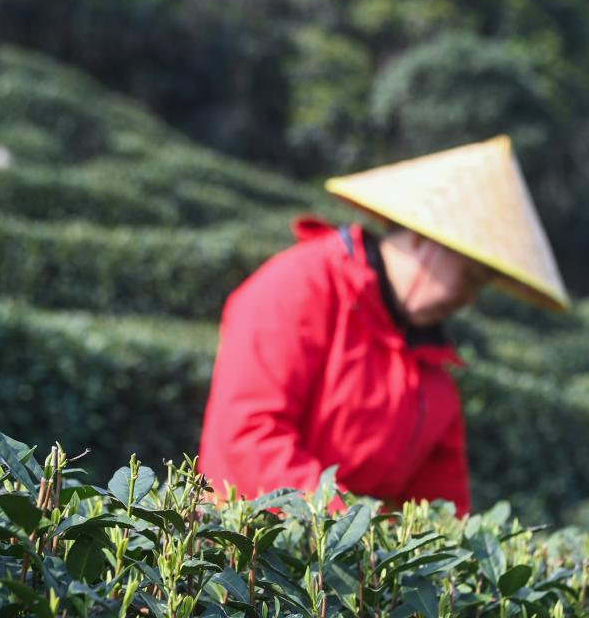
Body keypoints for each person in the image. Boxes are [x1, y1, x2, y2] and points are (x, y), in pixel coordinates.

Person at [198, 134, 569, 517]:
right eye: (470, 277)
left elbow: (442, 507)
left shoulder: (432, 375)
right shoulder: (298, 286)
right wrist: (353, 527)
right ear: (430, 240)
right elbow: (247, 436)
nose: (469, 299)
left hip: (344, 560)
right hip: (249, 552)